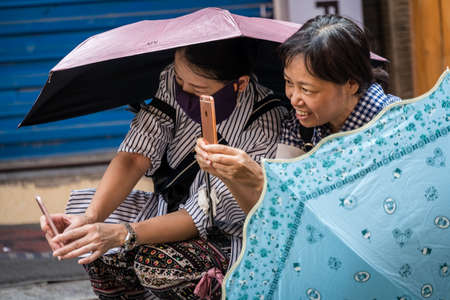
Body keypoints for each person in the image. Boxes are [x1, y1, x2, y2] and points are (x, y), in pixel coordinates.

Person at [40, 38, 289, 299]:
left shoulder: (265, 125)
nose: (183, 93)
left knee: (156, 265)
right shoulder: (173, 81)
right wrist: (91, 218)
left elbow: (199, 215)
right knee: (97, 245)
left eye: (198, 89)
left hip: (230, 235)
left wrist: (122, 234)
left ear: (240, 84)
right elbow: (136, 155)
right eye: (180, 82)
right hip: (169, 209)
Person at [195, 14, 401, 214]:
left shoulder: (398, 126)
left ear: (351, 84)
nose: (294, 99)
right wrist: (230, 176)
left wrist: (260, 179)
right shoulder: (298, 126)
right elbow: (275, 216)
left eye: (307, 89)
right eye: (289, 82)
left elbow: (349, 215)